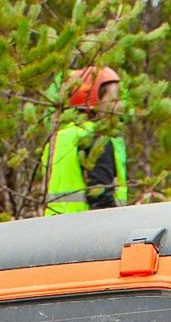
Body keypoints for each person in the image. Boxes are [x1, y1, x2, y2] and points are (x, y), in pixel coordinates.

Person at [43, 66, 126, 214]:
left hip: (54, 229)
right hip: (86, 231)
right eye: (114, 99)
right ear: (93, 99)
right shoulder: (95, 138)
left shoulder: (60, 138)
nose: (119, 105)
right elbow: (101, 201)